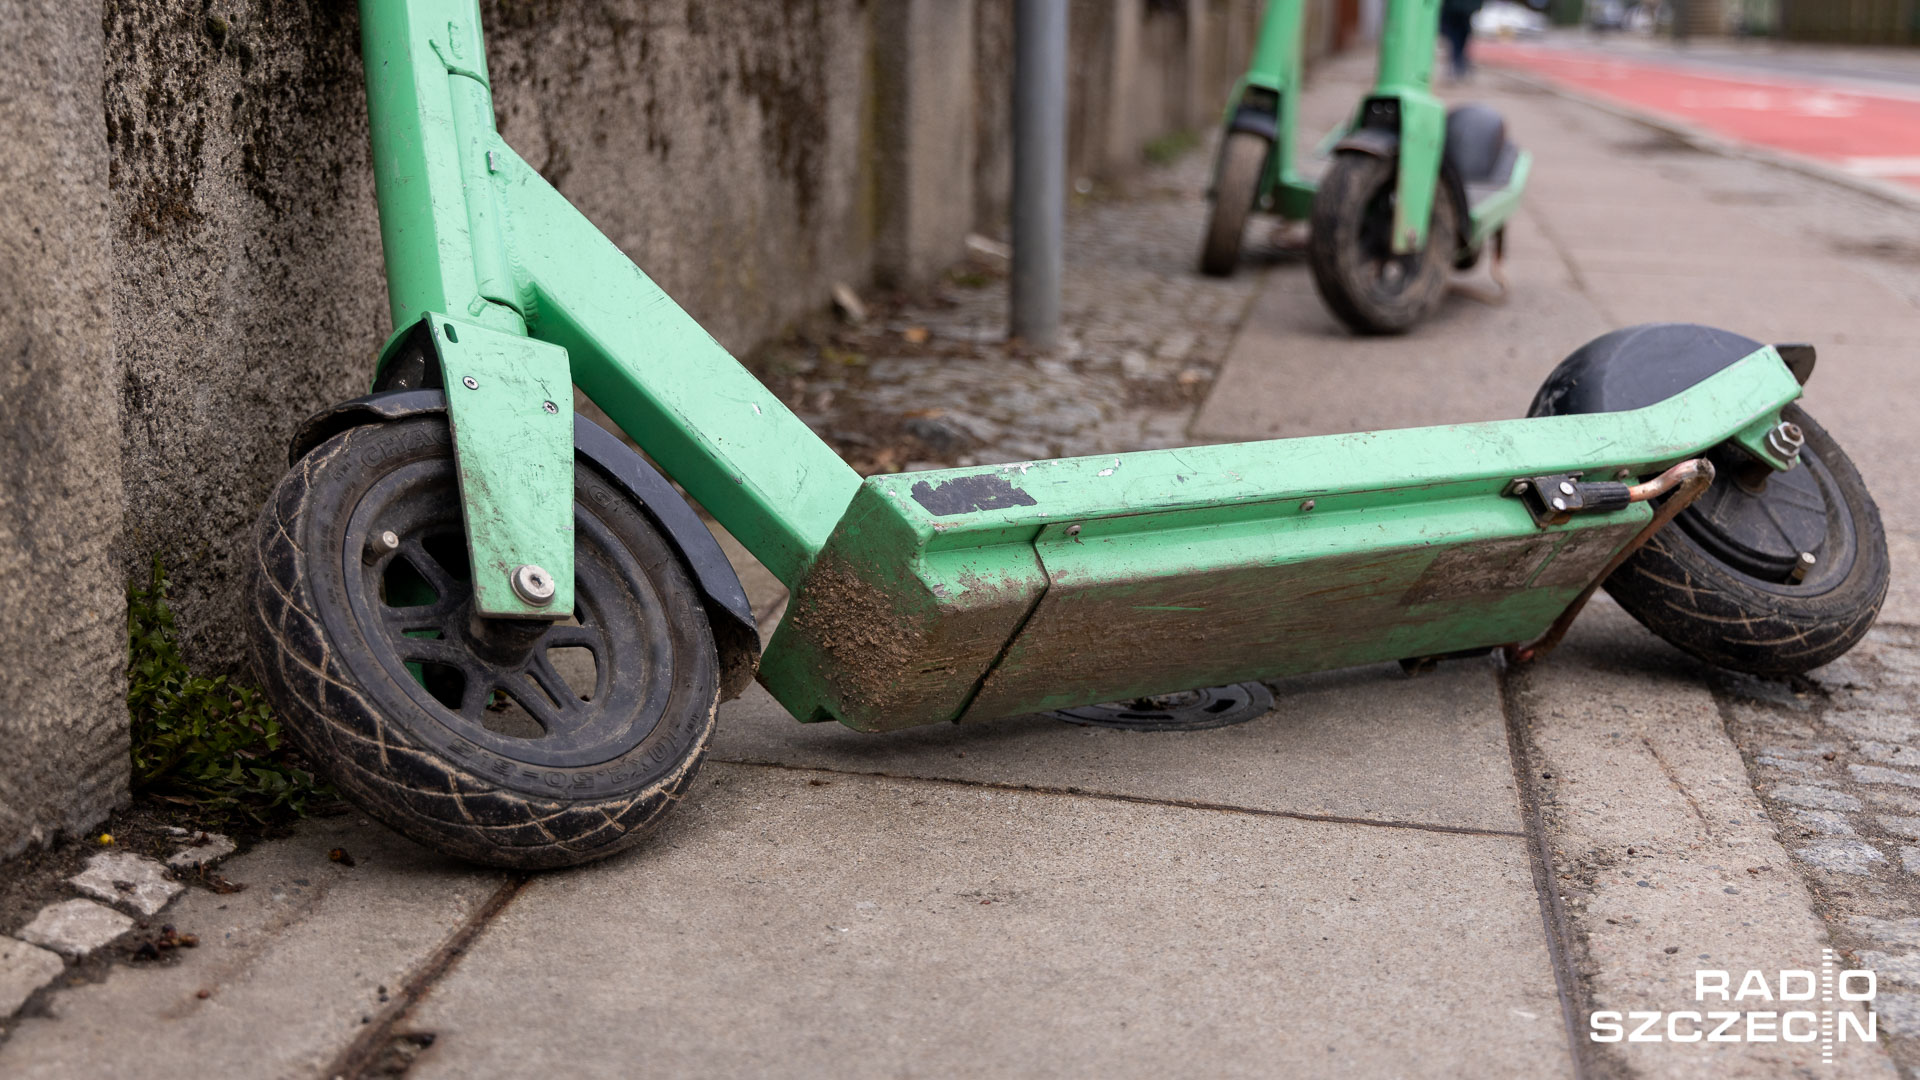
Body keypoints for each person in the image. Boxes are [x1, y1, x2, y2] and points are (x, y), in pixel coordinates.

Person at [1440, 0, 1483, 81]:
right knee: (1456, 38)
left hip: (1462, 10)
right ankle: (1458, 63)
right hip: (1456, 9)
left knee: (1459, 37)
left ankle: (1458, 63)